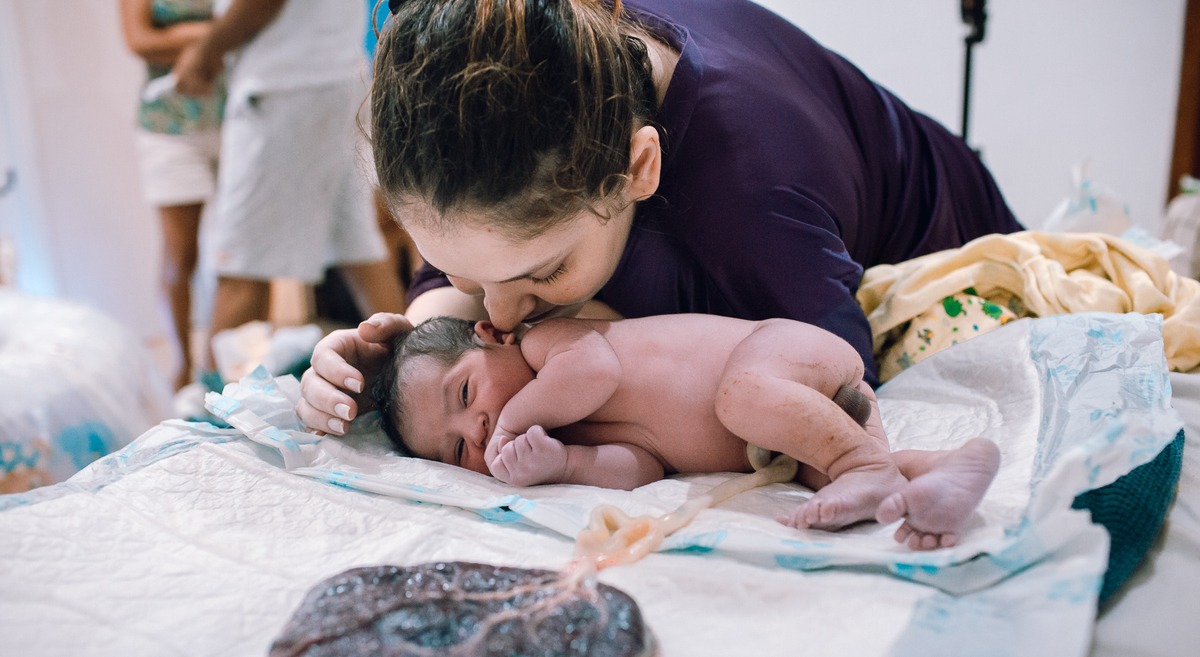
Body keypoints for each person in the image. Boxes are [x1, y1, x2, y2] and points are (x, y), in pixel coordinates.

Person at [296, 0, 1023, 436]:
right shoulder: (525, 106)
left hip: (949, 232)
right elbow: (474, 273)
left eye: (544, 272)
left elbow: (837, 386)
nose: (501, 316)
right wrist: (410, 359)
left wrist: (600, 331)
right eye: (471, 278)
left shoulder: (755, 193)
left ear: (639, 166)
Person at [373, 314, 1001, 550]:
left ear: (492, 336)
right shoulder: (572, 429)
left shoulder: (549, 344)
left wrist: (514, 422)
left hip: (781, 352)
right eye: (459, 448)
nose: (478, 428)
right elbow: (642, 468)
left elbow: (594, 371)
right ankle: (939, 472)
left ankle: (864, 467)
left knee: (742, 397)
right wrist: (565, 465)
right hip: (796, 424)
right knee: (821, 470)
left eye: (465, 394)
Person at [171, 0, 406, 362]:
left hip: (285, 83)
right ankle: (414, 366)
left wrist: (206, 52)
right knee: (359, 250)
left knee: (241, 265)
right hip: (336, 75)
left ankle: (217, 395)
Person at [120, 0, 227, 390]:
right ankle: (182, 367)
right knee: (181, 255)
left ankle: (224, 366)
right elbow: (140, 41)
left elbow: (256, 25)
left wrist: (179, 37)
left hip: (237, 116)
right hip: (168, 127)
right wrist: (215, 34)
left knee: (240, 253)